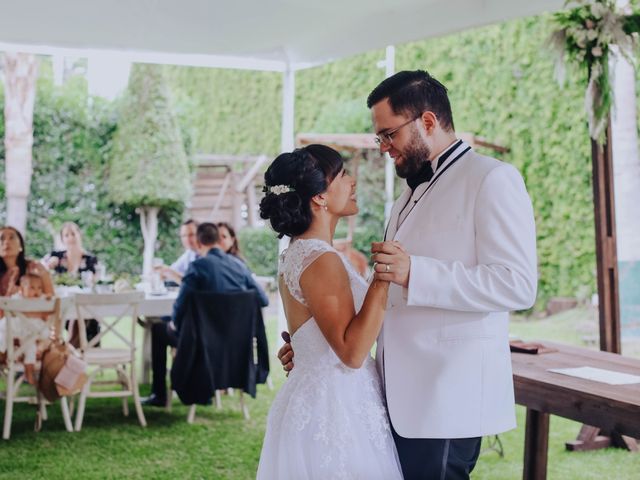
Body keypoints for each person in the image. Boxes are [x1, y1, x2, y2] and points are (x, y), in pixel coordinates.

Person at [278, 71, 538, 479]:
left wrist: (416, 271)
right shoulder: (406, 194)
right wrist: (316, 348)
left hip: (447, 394)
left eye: (388, 135)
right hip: (392, 395)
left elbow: (517, 283)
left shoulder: (492, 179)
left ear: (428, 122)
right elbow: (387, 299)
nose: (382, 147)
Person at [256, 144, 402, 479]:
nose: (352, 182)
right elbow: (351, 352)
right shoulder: (320, 258)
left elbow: (313, 335)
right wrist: (382, 278)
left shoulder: (300, 253)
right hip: (336, 407)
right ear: (320, 196)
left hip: (320, 395)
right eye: (343, 174)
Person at [143, 222, 269, 407]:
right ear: (218, 240)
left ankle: (159, 395)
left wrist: (173, 325)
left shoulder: (197, 267)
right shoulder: (239, 266)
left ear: (199, 243)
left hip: (202, 343)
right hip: (235, 344)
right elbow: (263, 300)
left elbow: (181, 306)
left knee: (158, 329)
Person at [44, 222, 100, 346]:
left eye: (73, 234)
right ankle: (71, 351)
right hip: (61, 306)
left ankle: (69, 350)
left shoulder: (90, 259)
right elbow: (40, 270)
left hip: (84, 306)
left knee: (82, 317)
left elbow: (96, 281)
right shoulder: (56, 256)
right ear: (62, 239)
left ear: (79, 235)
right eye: (66, 235)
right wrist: (49, 265)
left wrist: (93, 280)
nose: (70, 238)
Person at [217, 222, 269, 306]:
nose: (219, 240)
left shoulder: (238, 265)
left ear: (232, 240)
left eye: (224, 236)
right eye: (216, 237)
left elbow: (262, 299)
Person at [155, 219, 199, 285]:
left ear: (200, 235)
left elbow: (196, 285)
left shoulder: (207, 255)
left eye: (191, 234)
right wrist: (163, 272)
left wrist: (169, 272)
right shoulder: (189, 253)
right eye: (184, 235)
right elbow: (173, 270)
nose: (187, 239)